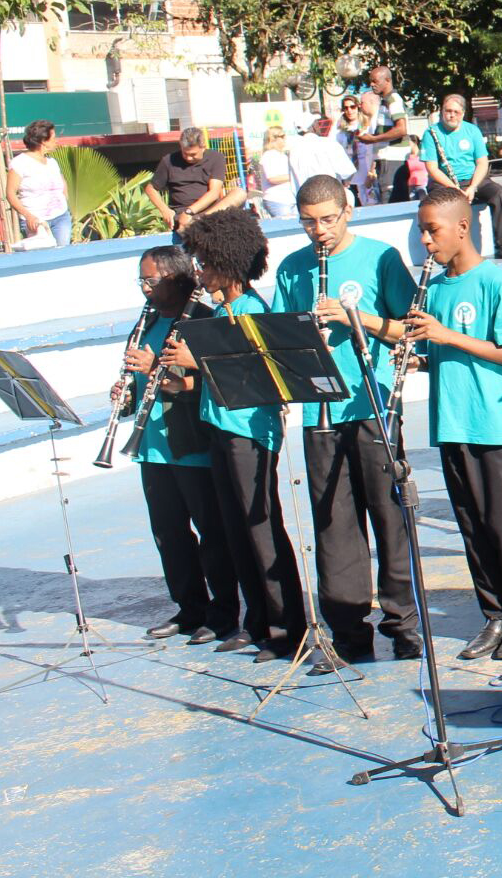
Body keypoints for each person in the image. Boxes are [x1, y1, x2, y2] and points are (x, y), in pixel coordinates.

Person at [269, 174, 420, 671]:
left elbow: (407, 329)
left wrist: (356, 320)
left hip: (372, 405)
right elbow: (279, 337)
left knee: (389, 519)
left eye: (328, 220)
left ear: (347, 212)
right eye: (309, 222)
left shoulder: (379, 257)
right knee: (334, 526)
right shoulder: (292, 268)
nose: (320, 232)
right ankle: (350, 634)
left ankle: (404, 626)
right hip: (321, 413)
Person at [158, 207, 305, 661]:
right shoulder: (219, 312)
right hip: (219, 428)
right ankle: (256, 621)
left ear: (229, 261)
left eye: (206, 262)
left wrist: (194, 363)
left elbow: (256, 376)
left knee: (261, 531)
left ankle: (286, 627)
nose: (200, 271)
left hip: (249, 433)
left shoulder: (250, 311)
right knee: (234, 531)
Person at [407, 186, 502, 661]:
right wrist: (419, 357)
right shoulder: (436, 287)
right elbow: (439, 351)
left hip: (493, 424)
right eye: (422, 231)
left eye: (433, 230)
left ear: (462, 227)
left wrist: (447, 335)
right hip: (452, 422)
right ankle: (495, 615)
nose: (426, 241)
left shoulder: (495, 282)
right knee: (472, 526)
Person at [116, 245, 237, 645]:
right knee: (169, 533)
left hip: (191, 445)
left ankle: (223, 613)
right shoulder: (147, 320)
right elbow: (140, 379)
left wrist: (159, 372)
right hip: (151, 446)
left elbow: (220, 383)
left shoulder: (202, 320)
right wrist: (125, 391)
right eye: (141, 281)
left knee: (211, 533)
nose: (144, 289)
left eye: (151, 281)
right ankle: (190, 608)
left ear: (178, 278)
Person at [420, 93, 502, 259]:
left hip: (472, 179)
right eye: (448, 111)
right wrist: (454, 188)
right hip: (444, 182)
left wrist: (473, 187)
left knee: (498, 192)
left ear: (462, 113)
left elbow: (482, 162)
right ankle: (446, 252)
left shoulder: (472, 130)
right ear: (441, 111)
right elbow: (432, 168)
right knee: (442, 205)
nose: (451, 115)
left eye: (456, 112)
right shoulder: (430, 133)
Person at [147, 127, 233, 236]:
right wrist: (165, 210)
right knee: (186, 228)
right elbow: (151, 188)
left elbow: (214, 193)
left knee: (239, 193)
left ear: (203, 147)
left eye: (193, 154)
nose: (188, 158)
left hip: (210, 212)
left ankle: (201, 220)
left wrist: (190, 211)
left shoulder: (216, 158)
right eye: (185, 153)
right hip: (181, 214)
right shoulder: (168, 161)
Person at [9, 119, 71, 248]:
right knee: (45, 256)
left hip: (61, 217)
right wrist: (28, 216)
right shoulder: (20, 163)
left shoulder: (52, 162)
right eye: (53, 137)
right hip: (36, 221)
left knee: (63, 254)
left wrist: (65, 200)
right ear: (43, 141)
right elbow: (10, 193)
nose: (56, 141)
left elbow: (62, 182)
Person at [356, 67, 411, 203]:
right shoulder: (385, 100)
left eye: (375, 81)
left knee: (392, 201)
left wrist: (373, 139)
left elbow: (401, 129)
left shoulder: (393, 99)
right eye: (370, 82)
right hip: (386, 160)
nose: (372, 85)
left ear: (387, 80)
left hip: (393, 160)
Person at [288, 118, 356, 205]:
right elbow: (348, 172)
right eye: (317, 123)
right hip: (330, 199)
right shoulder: (328, 143)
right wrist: (345, 184)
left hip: (305, 202)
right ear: (314, 126)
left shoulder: (293, 150)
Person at [256, 126, 295, 219]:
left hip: (288, 200)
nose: (285, 139)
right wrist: (293, 175)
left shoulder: (280, 155)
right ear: (273, 139)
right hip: (278, 200)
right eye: (282, 136)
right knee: (287, 227)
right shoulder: (269, 156)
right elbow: (273, 178)